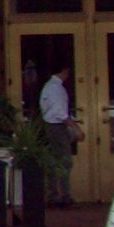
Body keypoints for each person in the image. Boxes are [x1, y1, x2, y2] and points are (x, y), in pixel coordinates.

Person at [37, 64, 78, 206]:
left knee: (55, 161)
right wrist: (75, 127)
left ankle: (54, 194)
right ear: (64, 70)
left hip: (51, 126)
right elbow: (59, 112)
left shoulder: (49, 87)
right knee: (64, 161)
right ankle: (62, 195)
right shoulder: (56, 89)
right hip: (56, 127)